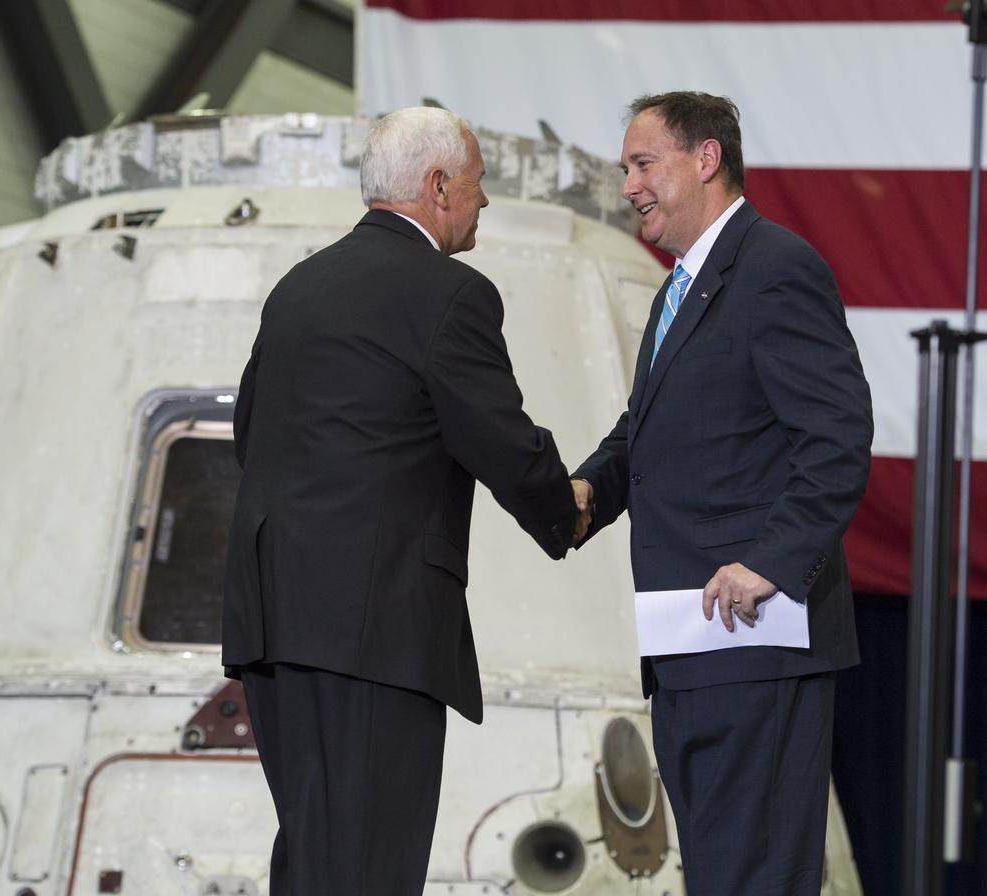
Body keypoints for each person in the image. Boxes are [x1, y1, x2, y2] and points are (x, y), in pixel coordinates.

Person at [222, 106, 586, 895]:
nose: (484, 203)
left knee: (318, 858)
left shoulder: (298, 286)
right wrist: (569, 509)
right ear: (439, 185)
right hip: (374, 630)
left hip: (274, 621)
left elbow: (253, 434)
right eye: (480, 185)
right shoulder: (448, 295)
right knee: (368, 870)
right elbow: (499, 439)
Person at [571, 92, 873, 895]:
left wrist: (769, 562)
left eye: (644, 164)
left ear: (706, 159)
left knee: (755, 878)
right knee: (720, 877)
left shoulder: (776, 267)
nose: (630, 184)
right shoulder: (681, 291)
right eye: (626, 167)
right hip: (692, 652)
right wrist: (580, 496)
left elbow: (837, 439)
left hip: (755, 642)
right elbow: (646, 432)